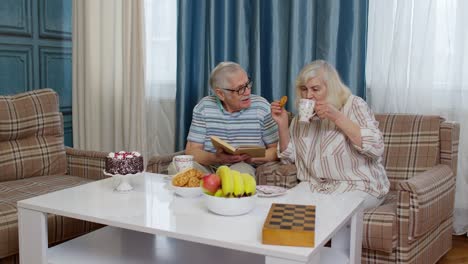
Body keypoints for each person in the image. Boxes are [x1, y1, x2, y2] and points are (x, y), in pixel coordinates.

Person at [270, 60, 389, 210]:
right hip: (316, 187)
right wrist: (282, 125)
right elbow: (288, 159)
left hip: (359, 185)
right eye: (303, 89)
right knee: (284, 207)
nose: (308, 95)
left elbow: (376, 148)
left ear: (331, 88)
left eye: (315, 89)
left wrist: (337, 117)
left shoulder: (354, 105)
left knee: (328, 210)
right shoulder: (302, 117)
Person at [168, 61, 279, 176]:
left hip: (243, 166)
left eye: (248, 84)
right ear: (220, 94)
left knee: (240, 172)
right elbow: (192, 151)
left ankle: (218, 188)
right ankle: (209, 188)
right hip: (210, 167)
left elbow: (276, 150)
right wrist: (216, 158)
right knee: (176, 167)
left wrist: (252, 158)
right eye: (240, 89)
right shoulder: (204, 107)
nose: (247, 92)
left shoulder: (261, 106)